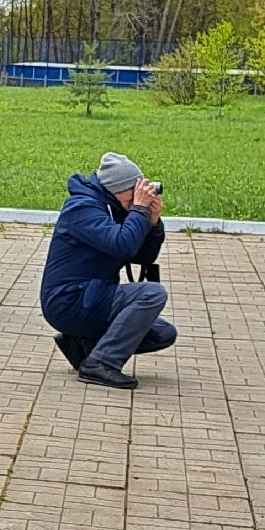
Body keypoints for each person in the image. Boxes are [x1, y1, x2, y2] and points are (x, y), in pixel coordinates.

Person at [39, 152, 175, 390]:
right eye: (134, 190)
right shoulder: (82, 209)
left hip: (92, 297)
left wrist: (152, 223)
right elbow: (122, 245)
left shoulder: (113, 207)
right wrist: (139, 212)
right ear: (117, 189)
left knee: (163, 333)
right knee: (152, 294)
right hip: (69, 300)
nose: (138, 196)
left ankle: (83, 345)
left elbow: (141, 257)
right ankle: (101, 363)